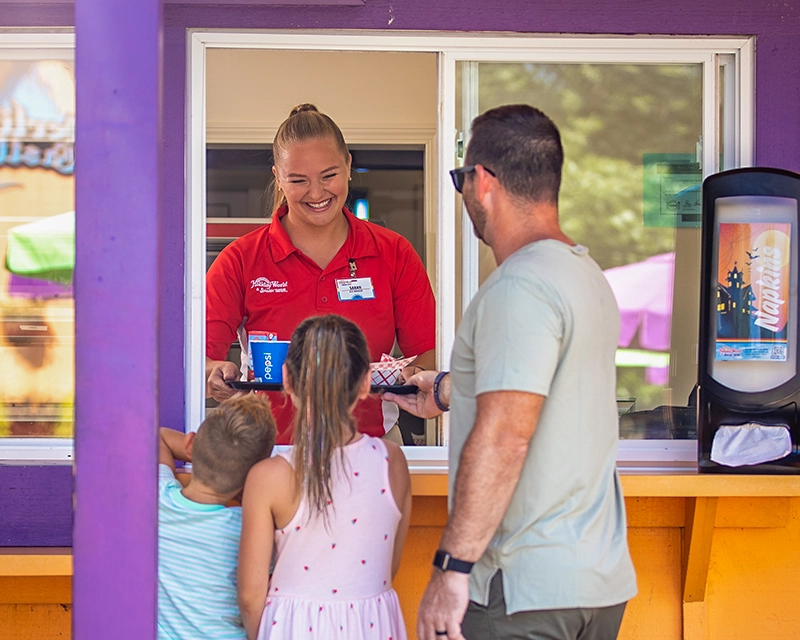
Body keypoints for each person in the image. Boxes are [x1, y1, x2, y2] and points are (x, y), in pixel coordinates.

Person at [386, 104, 637, 640]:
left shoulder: (518, 286)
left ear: (482, 182)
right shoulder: (584, 274)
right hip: (594, 582)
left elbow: (505, 436)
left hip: (520, 590)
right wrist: (447, 390)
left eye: (460, 180)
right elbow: (547, 395)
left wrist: (451, 569)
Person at [205, 103, 436, 444]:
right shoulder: (239, 260)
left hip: (372, 445)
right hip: (271, 449)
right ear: (278, 178)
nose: (316, 193)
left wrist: (408, 375)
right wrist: (214, 374)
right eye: (298, 180)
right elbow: (204, 360)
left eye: (329, 176)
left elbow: (428, 353)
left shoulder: (394, 253)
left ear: (349, 166)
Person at [237, 314, 412, 640]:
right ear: (365, 383)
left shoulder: (268, 477)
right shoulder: (393, 463)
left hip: (292, 629)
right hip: (371, 627)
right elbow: (388, 566)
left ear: (286, 379)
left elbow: (250, 597)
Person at [157, 394, 277, 640]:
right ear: (255, 477)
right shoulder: (248, 529)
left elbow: (156, 436)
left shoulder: (158, 500)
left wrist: (198, 450)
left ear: (190, 445)